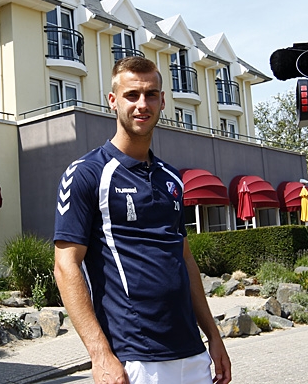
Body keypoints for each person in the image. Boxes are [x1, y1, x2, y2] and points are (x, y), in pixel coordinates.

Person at [53, 56, 231, 384]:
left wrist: (213, 336)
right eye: (131, 95)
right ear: (112, 101)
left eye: (150, 94)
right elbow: (66, 266)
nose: (142, 104)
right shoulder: (87, 174)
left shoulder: (171, 179)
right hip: (134, 358)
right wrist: (99, 353)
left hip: (192, 355)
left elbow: (184, 259)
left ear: (163, 101)